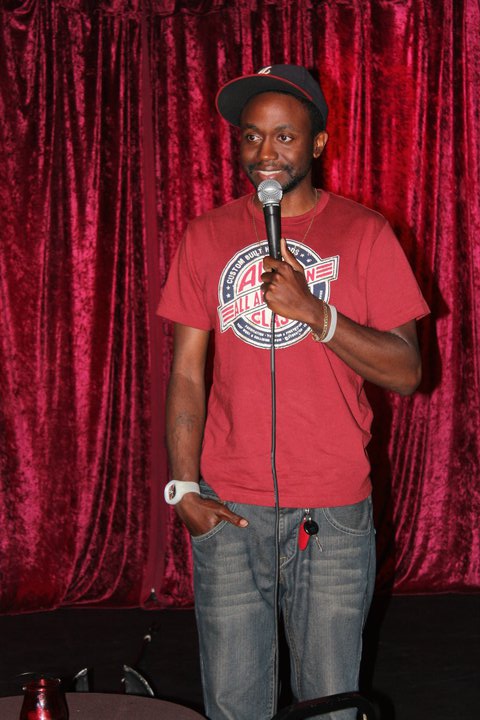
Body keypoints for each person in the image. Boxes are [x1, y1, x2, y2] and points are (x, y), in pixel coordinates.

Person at [157, 64, 429, 720]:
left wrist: (316, 314)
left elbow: (406, 371)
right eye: (252, 136)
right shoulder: (206, 235)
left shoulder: (365, 233)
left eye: (284, 136)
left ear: (318, 143)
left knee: (330, 706)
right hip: (228, 507)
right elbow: (187, 374)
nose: (265, 153)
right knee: (235, 705)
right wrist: (184, 487)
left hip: (332, 511)